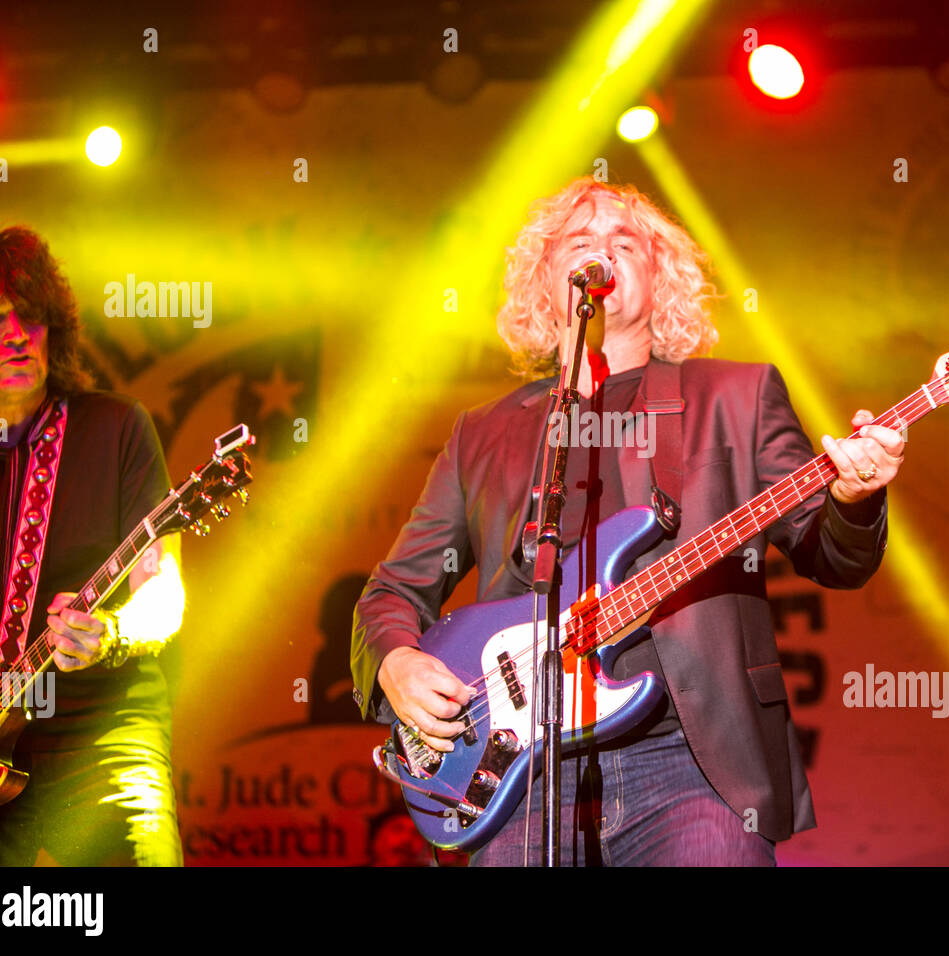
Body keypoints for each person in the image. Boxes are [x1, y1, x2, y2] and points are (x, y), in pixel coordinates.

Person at [351, 179, 904, 866]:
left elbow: (834, 557)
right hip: (518, 771)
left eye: (625, 242)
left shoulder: (736, 398)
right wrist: (397, 666)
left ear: (661, 275)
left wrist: (854, 497)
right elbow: (393, 593)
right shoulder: (483, 435)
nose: (601, 253)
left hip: (689, 761)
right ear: (542, 281)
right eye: (578, 244)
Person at [0, 226, 185, 866]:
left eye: (32, 317)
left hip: (102, 735)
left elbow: (163, 593)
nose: (18, 334)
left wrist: (111, 634)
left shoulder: (115, 429)